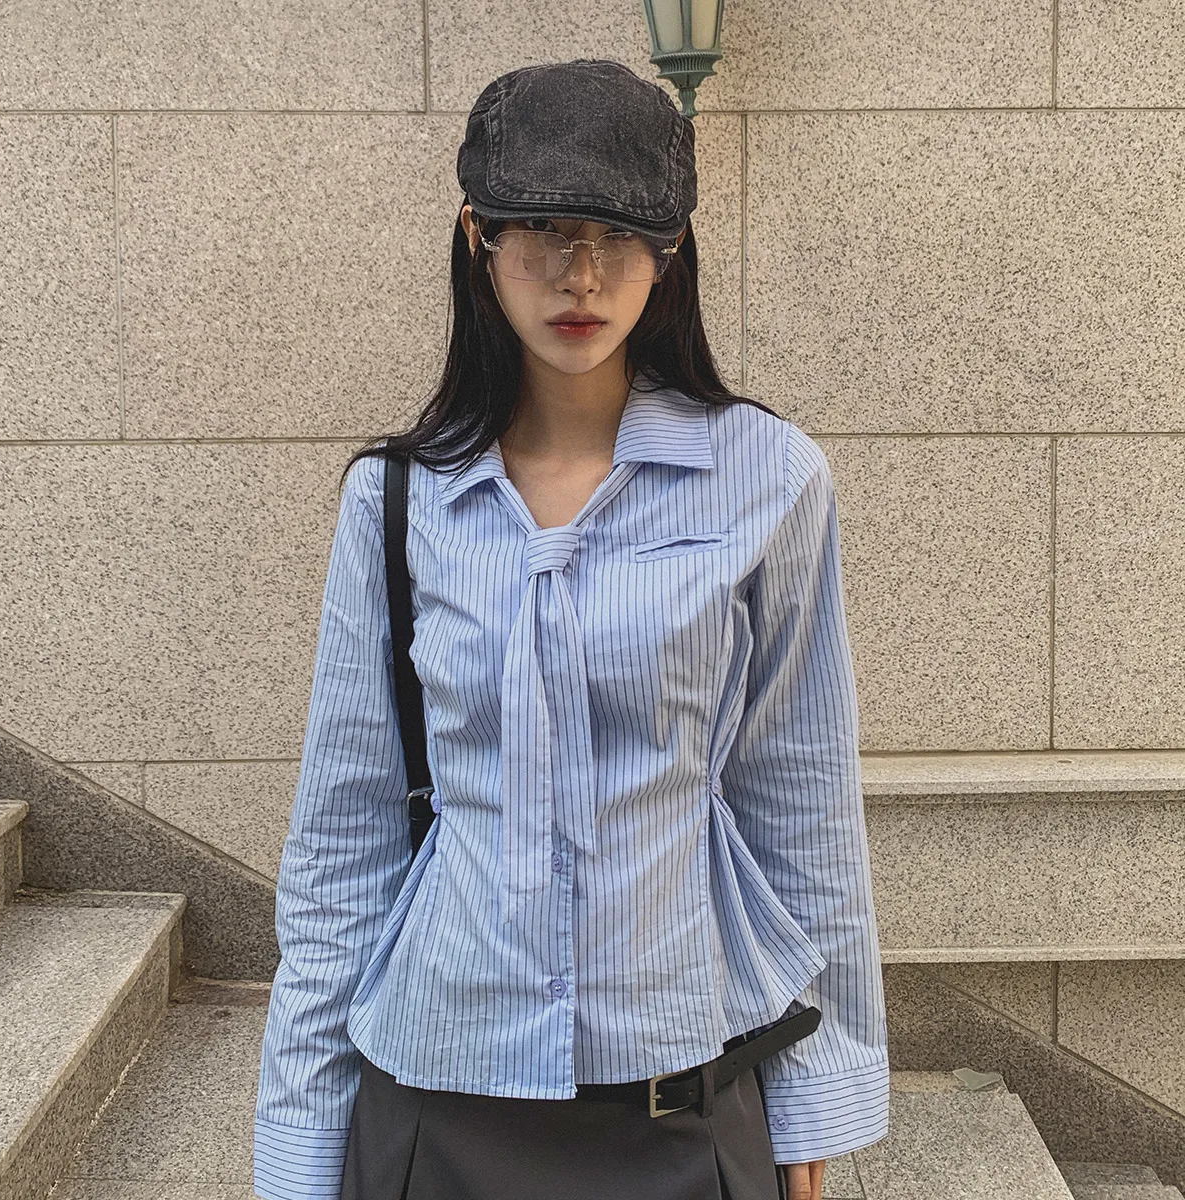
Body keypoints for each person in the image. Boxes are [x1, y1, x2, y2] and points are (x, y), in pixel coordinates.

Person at [253, 57, 889, 1200]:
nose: (581, 271)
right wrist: (298, 1156)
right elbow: (342, 847)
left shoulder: (769, 479)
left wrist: (814, 1106)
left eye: (620, 233)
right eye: (542, 228)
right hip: (435, 1112)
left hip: (682, 1114)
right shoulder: (396, 502)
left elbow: (802, 812)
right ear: (478, 236)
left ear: (673, 248)